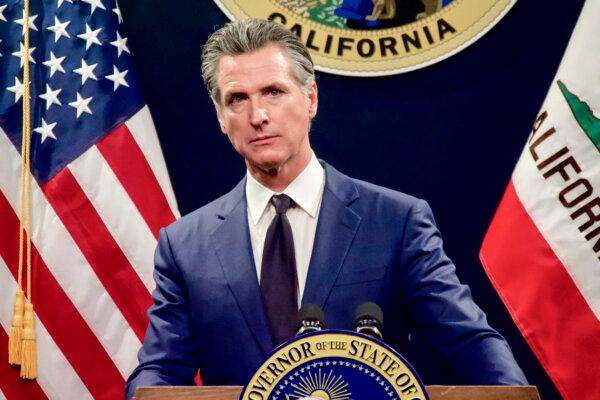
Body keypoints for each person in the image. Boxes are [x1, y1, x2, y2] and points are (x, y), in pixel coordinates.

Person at [125, 18, 527, 399]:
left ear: (311, 98)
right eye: (237, 100)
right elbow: (159, 371)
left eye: (274, 92)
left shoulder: (396, 222)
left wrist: (511, 395)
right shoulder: (185, 245)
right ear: (220, 117)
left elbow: (468, 341)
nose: (258, 115)